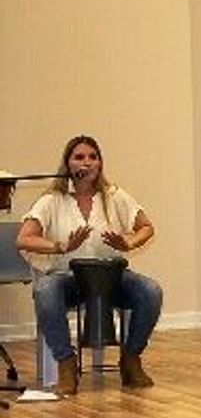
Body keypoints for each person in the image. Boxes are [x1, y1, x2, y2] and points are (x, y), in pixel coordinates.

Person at [16, 135, 163, 395]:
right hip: (69, 278)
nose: (87, 162)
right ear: (68, 164)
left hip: (111, 275)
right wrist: (60, 246)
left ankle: (131, 358)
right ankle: (66, 363)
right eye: (79, 157)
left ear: (100, 163)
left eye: (93, 157)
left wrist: (128, 242)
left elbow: (146, 227)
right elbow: (24, 239)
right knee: (45, 290)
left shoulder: (114, 196)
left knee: (150, 291)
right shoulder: (52, 200)